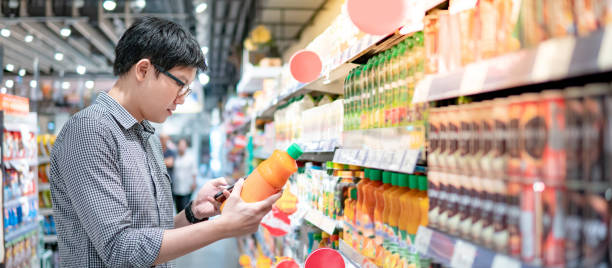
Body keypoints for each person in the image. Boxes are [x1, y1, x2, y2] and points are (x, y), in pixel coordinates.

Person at [49, 17, 281, 267]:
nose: (182, 98)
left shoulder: (145, 134)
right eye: (180, 83)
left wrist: (193, 213)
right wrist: (224, 227)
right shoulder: (90, 131)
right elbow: (120, 249)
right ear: (143, 70)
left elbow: (151, 234)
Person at [172, 138, 197, 213]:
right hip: (176, 188)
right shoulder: (175, 157)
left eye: (183, 145)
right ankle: (180, 224)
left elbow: (194, 171)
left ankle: (185, 224)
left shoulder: (190, 158)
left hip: (187, 188)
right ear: (178, 146)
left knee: (184, 208)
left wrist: (194, 183)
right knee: (178, 209)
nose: (182, 147)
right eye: (180, 145)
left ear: (186, 146)